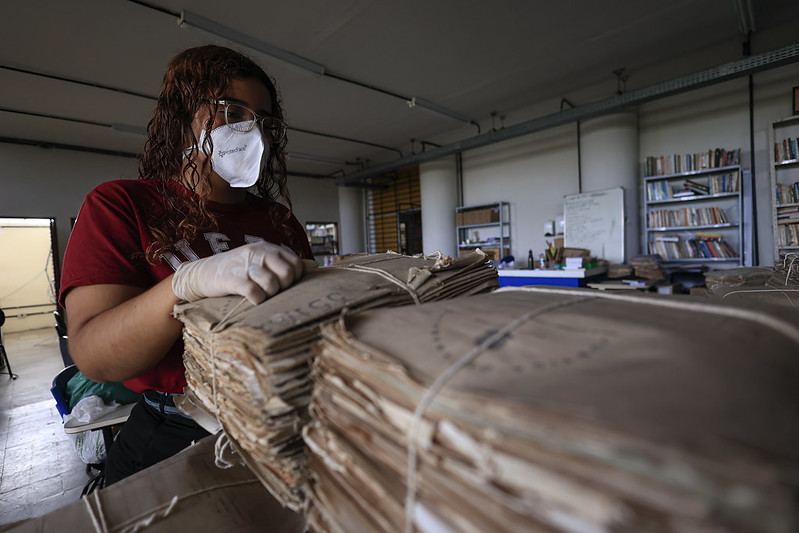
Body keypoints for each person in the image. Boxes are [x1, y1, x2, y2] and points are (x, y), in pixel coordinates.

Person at [58, 44, 313, 485]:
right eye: (232, 112)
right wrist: (187, 284)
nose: (252, 131)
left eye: (264, 121)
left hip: (281, 416)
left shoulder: (279, 220)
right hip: (176, 429)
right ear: (182, 116)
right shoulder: (121, 205)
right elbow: (94, 357)